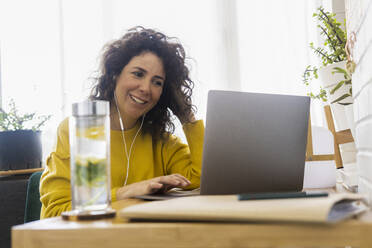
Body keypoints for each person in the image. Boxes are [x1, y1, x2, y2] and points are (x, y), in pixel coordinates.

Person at [40, 26, 204, 218]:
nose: (146, 88)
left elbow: (203, 180)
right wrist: (124, 192)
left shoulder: (160, 141)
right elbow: (56, 213)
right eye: (138, 74)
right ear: (115, 74)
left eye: (157, 82)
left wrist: (187, 116)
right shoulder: (80, 131)